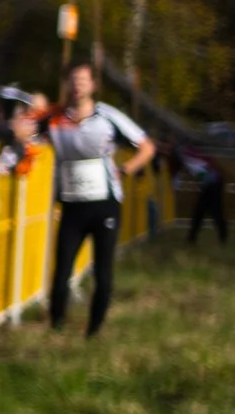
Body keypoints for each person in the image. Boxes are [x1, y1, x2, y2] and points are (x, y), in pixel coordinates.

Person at [44, 62, 154, 336]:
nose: (77, 85)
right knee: (62, 269)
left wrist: (126, 169)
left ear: (93, 85)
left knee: (103, 271)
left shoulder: (107, 116)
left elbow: (147, 147)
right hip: (72, 205)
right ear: (66, 84)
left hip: (104, 204)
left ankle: (94, 330)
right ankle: (56, 327)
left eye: (83, 80)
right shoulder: (55, 118)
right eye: (73, 80)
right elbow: (27, 131)